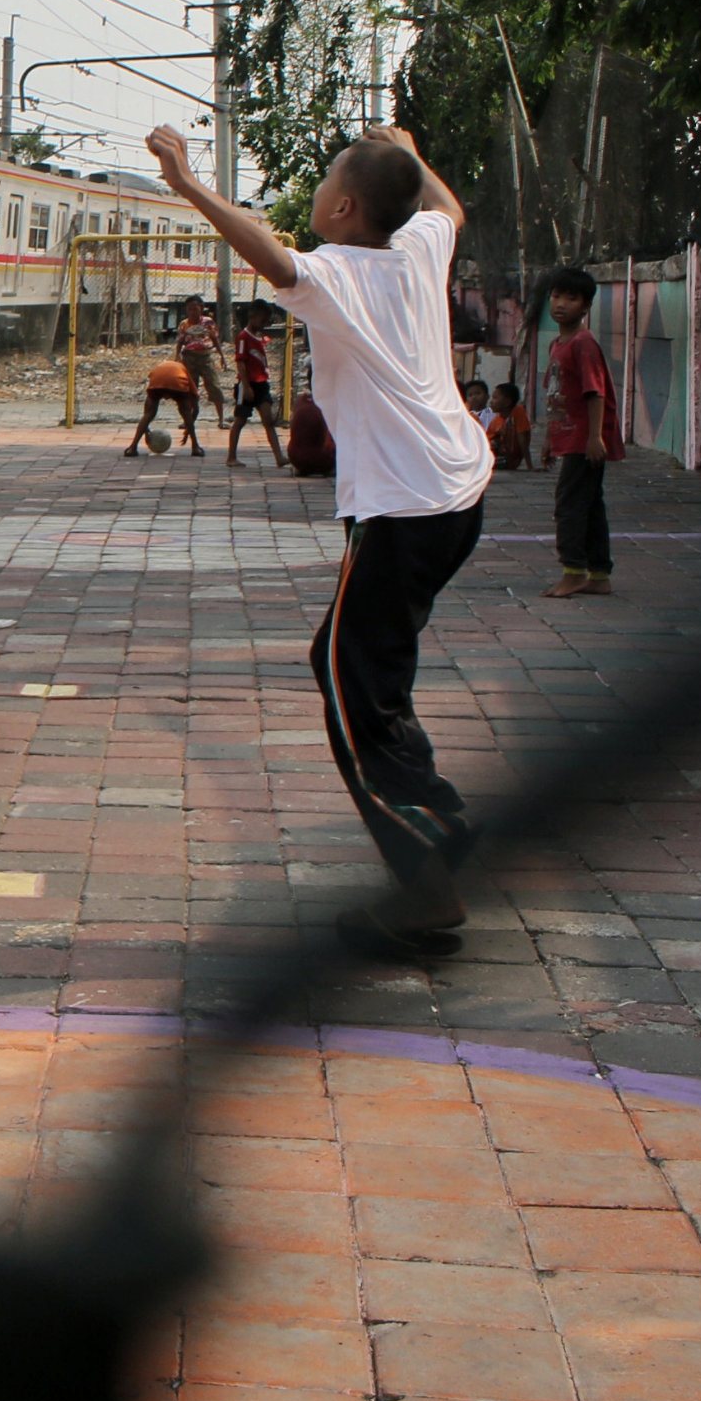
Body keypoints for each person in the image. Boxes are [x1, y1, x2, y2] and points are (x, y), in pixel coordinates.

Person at [148, 119, 492, 962]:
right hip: (458, 492)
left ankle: (429, 864)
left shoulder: (337, 271)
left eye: (331, 176)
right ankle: (432, 826)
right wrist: (412, 154)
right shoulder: (418, 249)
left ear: (343, 208)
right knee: (359, 667)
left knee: (353, 681)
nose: (321, 189)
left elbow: (273, 259)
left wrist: (188, 185)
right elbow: (448, 207)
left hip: (404, 509)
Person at [538, 267, 621, 597]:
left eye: (571, 298)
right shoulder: (557, 344)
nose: (561, 304)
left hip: (584, 440)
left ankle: (573, 571)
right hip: (570, 437)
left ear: (586, 306)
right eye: (556, 296)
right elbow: (556, 397)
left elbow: (595, 392)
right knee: (590, 505)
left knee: (569, 504)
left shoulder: (583, 344)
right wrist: (549, 438)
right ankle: (599, 575)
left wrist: (595, 437)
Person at [228, 301, 287, 467]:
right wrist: (246, 386)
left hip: (262, 384)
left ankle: (279, 457)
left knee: (268, 420)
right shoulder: (243, 337)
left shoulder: (261, 337)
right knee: (240, 420)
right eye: (263, 320)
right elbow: (241, 362)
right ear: (253, 316)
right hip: (248, 384)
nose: (264, 324)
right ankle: (231, 456)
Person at [125, 357, 201, 457]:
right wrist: (188, 429)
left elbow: (146, 412)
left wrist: (146, 430)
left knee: (148, 414)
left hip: (157, 382)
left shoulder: (161, 366)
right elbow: (196, 408)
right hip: (177, 383)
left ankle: (132, 447)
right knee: (186, 413)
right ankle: (195, 447)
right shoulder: (184, 371)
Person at [174, 297, 230, 423]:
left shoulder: (208, 322)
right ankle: (188, 420)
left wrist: (222, 356)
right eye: (190, 309)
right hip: (189, 358)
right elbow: (180, 341)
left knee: (214, 386)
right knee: (189, 389)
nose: (193, 312)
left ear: (201, 308)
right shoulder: (184, 324)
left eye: (195, 308)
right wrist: (177, 356)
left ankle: (221, 419)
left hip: (205, 357)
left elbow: (215, 339)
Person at [488, 380, 533, 471]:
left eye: (495, 398)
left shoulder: (518, 412)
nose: (491, 402)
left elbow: (522, 439)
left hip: (507, 459)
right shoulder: (496, 420)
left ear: (507, 402)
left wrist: (530, 466)